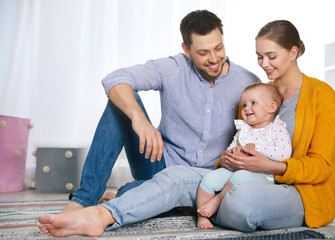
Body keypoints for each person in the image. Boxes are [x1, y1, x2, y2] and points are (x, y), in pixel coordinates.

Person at [38, 19, 335, 237]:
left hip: (260, 181)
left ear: (294, 51)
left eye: (271, 56)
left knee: (234, 199)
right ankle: (89, 207)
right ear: (186, 49)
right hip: (183, 167)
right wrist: (141, 121)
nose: (264, 64)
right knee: (126, 113)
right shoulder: (255, 93)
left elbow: (320, 165)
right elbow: (240, 139)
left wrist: (267, 165)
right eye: (260, 57)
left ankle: (144, 198)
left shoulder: (278, 89)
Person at [61, 9, 260, 214]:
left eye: (218, 48)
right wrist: (139, 120)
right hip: (159, 164)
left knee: (166, 200)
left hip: (205, 180)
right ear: (187, 50)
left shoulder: (248, 83)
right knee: (119, 102)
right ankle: (84, 200)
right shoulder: (173, 68)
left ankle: (126, 195)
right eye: (203, 53)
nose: (213, 58)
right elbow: (115, 79)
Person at [196, 83, 292, 229]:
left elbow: (284, 153)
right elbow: (230, 148)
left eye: (253, 103)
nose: (246, 108)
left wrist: (257, 149)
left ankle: (217, 201)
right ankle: (202, 216)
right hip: (235, 169)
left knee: (239, 178)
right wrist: (231, 153)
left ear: (271, 108)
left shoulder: (276, 129)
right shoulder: (244, 130)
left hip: (264, 176)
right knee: (209, 179)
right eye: (244, 104)